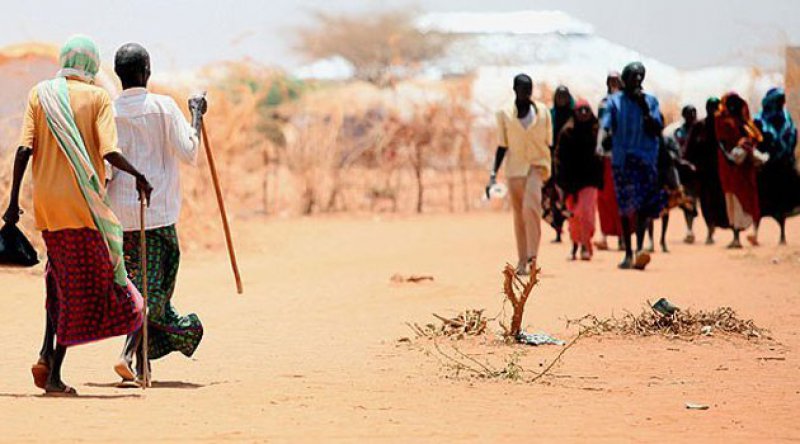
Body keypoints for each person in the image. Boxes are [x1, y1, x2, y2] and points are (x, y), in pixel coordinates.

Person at [2, 35, 152, 395]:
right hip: (82, 209)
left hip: (48, 210)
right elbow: (110, 152)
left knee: (58, 279)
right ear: (90, 65)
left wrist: (11, 205)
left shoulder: (41, 94)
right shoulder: (98, 97)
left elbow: (24, 148)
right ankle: (54, 376)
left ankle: (45, 356)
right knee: (86, 288)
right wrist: (139, 176)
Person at [107, 43, 206, 383]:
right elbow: (190, 152)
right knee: (156, 291)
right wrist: (197, 114)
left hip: (121, 217)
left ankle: (141, 361)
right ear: (147, 70)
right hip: (159, 214)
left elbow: (104, 165)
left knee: (137, 288)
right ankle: (127, 353)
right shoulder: (164, 107)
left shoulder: (108, 111)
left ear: (119, 74)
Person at [600, 62, 665, 270]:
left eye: (640, 77)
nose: (637, 81)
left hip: (646, 159)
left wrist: (645, 109)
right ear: (625, 80)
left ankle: (639, 250)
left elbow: (657, 127)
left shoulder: (651, 101)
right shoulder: (615, 102)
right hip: (623, 160)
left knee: (644, 207)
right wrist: (608, 136)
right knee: (626, 206)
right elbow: (607, 123)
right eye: (633, 77)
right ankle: (628, 252)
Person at [486, 74, 553, 275]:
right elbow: (502, 146)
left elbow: (549, 143)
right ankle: (522, 261)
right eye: (523, 89)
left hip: (536, 166)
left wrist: (554, 174)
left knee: (531, 208)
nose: (527, 93)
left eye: (529, 89)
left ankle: (533, 256)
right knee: (519, 216)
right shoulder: (504, 114)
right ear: (515, 89)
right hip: (515, 169)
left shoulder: (542, 112)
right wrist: (492, 174)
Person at [555, 99, 603, 260]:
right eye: (580, 111)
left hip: (589, 179)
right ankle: (575, 244)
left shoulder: (596, 131)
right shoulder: (567, 132)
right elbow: (559, 158)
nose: (583, 114)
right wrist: (561, 182)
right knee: (574, 215)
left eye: (586, 110)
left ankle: (585, 245)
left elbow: (601, 155)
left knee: (586, 212)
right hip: (571, 182)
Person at [715, 92, 763, 249]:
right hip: (730, 168)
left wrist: (746, 145)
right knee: (733, 200)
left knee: (749, 198)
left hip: (745, 169)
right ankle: (736, 236)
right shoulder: (721, 120)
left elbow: (756, 138)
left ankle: (754, 232)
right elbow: (721, 142)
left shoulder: (746, 123)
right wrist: (729, 156)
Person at [753, 88, 800, 245]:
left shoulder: (787, 119)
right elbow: (755, 141)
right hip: (766, 168)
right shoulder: (760, 121)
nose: (781, 104)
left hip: (784, 167)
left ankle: (782, 235)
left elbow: (793, 136)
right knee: (761, 201)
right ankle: (755, 233)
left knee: (783, 203)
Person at [685, 97, 729, 244]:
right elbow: (689, 148)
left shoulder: (723, 126)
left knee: (719, 202)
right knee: (705, 203)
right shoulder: (699, 126)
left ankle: (715, 228)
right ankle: (710, 229)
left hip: (719, 173)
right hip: (702, 173)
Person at [595, 72, 625, 252]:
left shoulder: (626, 103)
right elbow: (601, 128)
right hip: (606, 156)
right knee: (604, 197)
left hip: (622, 156)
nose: (613, 84)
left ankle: (623, 237)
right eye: (611, 82)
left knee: (620, 197)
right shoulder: (603, 103)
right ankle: (604, 235)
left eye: (616, 81)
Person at [543, 86, 574, 243]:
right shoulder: (551, 115)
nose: (561, 100)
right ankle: (557, 230)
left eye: (564, 96)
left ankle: (574, 232)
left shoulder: (575, 115)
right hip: (553, 161)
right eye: (559, 97)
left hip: (571, 163)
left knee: (570, 198)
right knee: (554, 197)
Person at [673, 105, 700, 243]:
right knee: (688, 200)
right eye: (689, 114)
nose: (692, 116)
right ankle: (690, 229)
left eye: (694, 113)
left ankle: (709, 232)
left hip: (699, 171)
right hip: (685, 171)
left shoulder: (701, 130)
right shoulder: (679, 132)